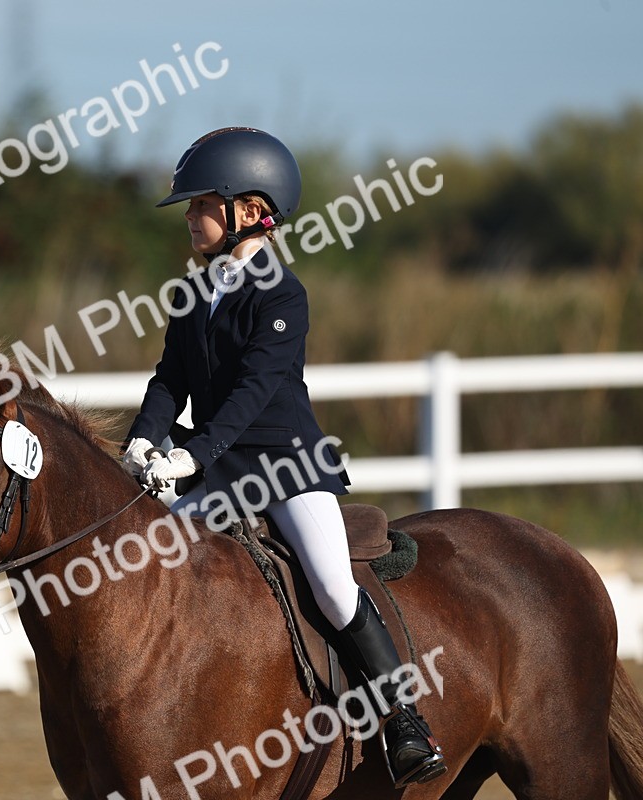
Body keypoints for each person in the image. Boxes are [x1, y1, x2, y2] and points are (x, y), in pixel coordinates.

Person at [120, 127, 446, 788]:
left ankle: (405, 722)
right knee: (152, 564)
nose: (189, 216)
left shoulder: (282, 294)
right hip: (218, 470)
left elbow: (255, 391)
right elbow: (169, 380)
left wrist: (192, 455)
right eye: (190, 206)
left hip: (285, 468)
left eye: (201, 204)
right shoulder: (192, 293)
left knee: (332, 586)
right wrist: (145, 437)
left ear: (249, 209)